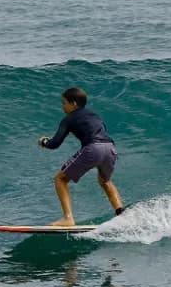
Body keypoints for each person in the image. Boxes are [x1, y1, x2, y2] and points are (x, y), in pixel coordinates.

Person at [38, 87, 125, 226]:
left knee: (60, 179)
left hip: (93, 148)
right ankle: (122, 215)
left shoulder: (68, 119)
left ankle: (68, 218)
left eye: (64, 103)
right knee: (106, 182)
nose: (62, 106)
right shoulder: (94, 115)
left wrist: (44, 142)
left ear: (73, 104)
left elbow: (55, 143)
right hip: (110, 148)